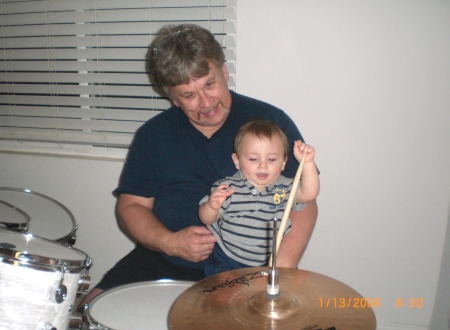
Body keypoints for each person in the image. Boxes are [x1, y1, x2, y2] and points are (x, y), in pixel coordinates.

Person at [79, 23, 318, 306]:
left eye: (210, 84)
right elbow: (130, 207)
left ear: (224, 71)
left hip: (245, 269)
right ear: (171, 97)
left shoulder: (270, 123)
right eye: (189, 95)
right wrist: (170, 242)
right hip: (163, 258)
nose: (206, 103)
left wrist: (279, 268)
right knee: (89, 309)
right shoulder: (152, 135)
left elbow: (303, 202)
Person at [198, 120, 319, 277]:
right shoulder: (227, 188)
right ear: (237, 160)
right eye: (253, 159)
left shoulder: (285, 188)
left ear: (283, 162)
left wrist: (307, 163)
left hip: (268, 261)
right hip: (227, 260)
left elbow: (309, 194)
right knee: (221, 300)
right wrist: (211, 207)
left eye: (272, 159)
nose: (263, 166)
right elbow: (206, 219)